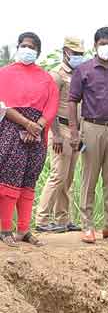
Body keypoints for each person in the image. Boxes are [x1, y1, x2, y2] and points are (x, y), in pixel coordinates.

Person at [68, 26, 108, 244]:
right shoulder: (84, 70)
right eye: (103, 43)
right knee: (89, 178)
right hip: (91, 127)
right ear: (95, 45)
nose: (107, 47)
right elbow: (72, 101)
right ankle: (87, 226)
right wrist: (74, 132)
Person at [0, 32, 59, 247]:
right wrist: (26, 124)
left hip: (37, 133)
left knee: (29, 180)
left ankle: (23, 230)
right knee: (9, 179)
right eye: (24, 45)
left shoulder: (46, 78)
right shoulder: (3, 74)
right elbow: (2, 105)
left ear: (38, 52)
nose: (28, 49)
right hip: (12, 129)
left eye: (32, 47)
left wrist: (39, 126)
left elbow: (52, 104)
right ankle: (5, 229)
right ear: (18, 47)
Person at [35, 36, 86, 234]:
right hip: (60, 129)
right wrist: (55, 134)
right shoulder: (56, 75)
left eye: (81, 54)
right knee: (57, 175)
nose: (78, 57)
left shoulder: (79, 74)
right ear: (66, 52)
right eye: (75, 54)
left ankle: (63, 219)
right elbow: (49, 106)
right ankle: (42, 219)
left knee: (69, 177)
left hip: (75, 131)